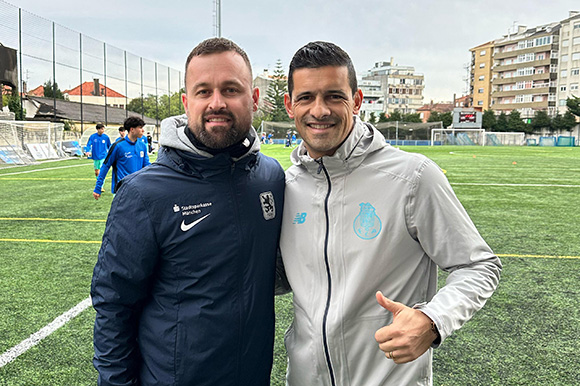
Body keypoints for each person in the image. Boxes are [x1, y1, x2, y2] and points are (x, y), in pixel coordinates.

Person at [277, 41, 502, 385]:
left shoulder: (412, 177)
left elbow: (478, 265)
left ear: (356, 100)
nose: (319, 110)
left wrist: (432, 320)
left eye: (334, 96)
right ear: (290, 105)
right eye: (306, 97)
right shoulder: (286, 187)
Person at [91, 37, 285, 386]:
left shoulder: (270, 177)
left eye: (231, 89)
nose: (216, 103)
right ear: (185, 102)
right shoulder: (144, 193)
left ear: (253, 99)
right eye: (203, 91)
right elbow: (114, 305)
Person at [92, 116, 150, 200]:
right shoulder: (117, 146)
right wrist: (98, 187)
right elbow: (106, 166)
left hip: (138, 189)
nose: (143, 130)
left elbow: (147, 166)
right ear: (132, 129)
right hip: (121, 190)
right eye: (140, 128)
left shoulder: (142, 146)